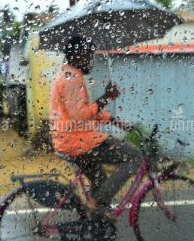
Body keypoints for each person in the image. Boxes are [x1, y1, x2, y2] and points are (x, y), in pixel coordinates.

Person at [49, 36, 143, 217]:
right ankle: (96, 203)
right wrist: (107, 97)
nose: (90, 60)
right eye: (88, 55)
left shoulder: (70, 75)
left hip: (71, 140)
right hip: (79, 142)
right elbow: (80, 115)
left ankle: (97, 226)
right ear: (76, 55)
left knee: (100, 180)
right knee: (135, 157)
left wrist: (117, 122)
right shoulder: (71, 78)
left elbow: (86, 110)